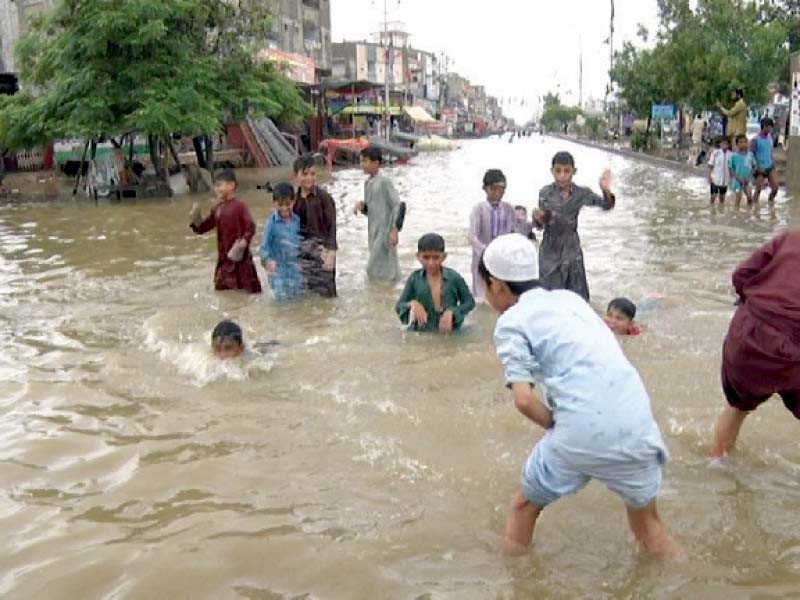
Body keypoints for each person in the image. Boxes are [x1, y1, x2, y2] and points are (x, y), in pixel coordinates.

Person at [479, 234, 679, 559]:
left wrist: (557, 425)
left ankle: (516, 582)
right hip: (637, 422)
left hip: (581, 429)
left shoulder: (510, 322)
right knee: (648, 527)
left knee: (523, 506)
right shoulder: (571, 300)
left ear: (496, 285)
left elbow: (524, 400)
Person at [710, 230, 800, 459]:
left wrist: (750, 303)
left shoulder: (791, 236)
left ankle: (716, 466)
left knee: (738, 406)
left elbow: (742, 274)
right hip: (789, 342)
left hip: (745, 329)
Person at [533, 151, 615, 302]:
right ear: (552, 171)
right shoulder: (545, 193)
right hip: (550, 253)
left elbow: (605, 205)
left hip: (572, 252)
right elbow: (542, 224)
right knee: (550, 300)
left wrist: (606, 190)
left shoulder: (581, 193)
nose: (562, 176)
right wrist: (537, 218)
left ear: (574, 172)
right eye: (558, 171)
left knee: (578, 300)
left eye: (567, 171)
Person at [190, 169, 261, 294]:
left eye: (219, 185)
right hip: (224, 260)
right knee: (223, 294)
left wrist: (244, 242)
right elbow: (204, 228)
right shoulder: (217, 209)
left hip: (240, 259)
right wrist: (196, 221)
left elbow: (250, 226)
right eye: (215, 186)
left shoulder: (240, 206)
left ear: (232, 185)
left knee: (246, 291)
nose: (216, 189)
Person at [395, 233, 475, 333]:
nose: (431, 263)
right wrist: (412, 304)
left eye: (436, 258)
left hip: (451, 333)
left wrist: (453, 312)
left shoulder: (454, 278)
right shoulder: (414, 279)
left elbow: (469, 302)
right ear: (418, 256)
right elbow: (399, 306)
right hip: (423, 333)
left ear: (444, 257)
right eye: (426, 257)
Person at [468, 170, 521, 300]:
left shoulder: (508, 208)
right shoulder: (479, 209)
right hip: (482, 260)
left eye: (501, 189)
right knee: (481, 298)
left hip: (502, 259)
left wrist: (536, 222)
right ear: (485, 189)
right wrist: (486, 251)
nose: (498, 193)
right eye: (493, 189)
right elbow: (472, 236)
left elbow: (517, 229)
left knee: (502, 297)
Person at [292, 155, 338, 297]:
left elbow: (332, 227)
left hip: (322, 251)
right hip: (301, 253)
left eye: (312, 174)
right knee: (306, 295)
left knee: (327, 295)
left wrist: (331, 253)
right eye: (304, 174)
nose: (309, 178)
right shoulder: (293, 200)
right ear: (296, 176)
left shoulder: (324, 198)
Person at [355, 147, 402, 282]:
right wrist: (363, 207)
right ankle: (383, 294)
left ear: (376, 163)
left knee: (372, 268)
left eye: (365, 161)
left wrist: (395, 230)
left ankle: (384, 294)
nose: (362, 164)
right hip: (373, 231)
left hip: (385, 231)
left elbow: (397, 206)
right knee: (381, 268)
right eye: (361, 161)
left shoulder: (384, 182)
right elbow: (372, 210)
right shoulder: (368, 183)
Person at [259, 182, 303, 302]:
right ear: (274, 203)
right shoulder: (271, 223)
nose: (284, 208)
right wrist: (268, 261)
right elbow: (263, 248)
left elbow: (302, 243)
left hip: (295, 269)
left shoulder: (297, 220)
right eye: (280, 205)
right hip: (278, 271)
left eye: (288, 204)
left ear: (293, 202)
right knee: (281, 300)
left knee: (299, 298)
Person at [751, 117, 779, 203]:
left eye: (771, 127)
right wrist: (757, 166)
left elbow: (770, 152)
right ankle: (754, 208)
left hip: (769, 166)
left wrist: (773, 163)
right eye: (770, 127)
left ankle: (770, 204)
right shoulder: (755, 139)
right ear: (764, 126)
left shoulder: (770, 138)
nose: (771, 129)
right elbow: (751, 155)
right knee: (758, 189)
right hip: (759, 168)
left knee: (775, 188)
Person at [729, 134, 755, 206]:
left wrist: (749, 177)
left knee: (750, 197)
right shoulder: (734, 156)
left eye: (745, 142)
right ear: (737, 144)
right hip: (737, 182)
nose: (743, 144)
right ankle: (736, 214)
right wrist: (738, 178)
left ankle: (748, 214)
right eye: (741, 142)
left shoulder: (750, 155)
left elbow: (753, 167)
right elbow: (731, 169)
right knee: (738, 197)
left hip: (747, 181)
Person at [707, 136, 731, 205]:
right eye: (723, 144)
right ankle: (711, 206)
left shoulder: (731, 155)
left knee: (722, 196)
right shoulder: (715, 153)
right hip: (715, 178)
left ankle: (721, 209)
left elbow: (731, 167)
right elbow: (710, 165)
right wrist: (709, 176)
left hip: (725, 179)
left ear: (729, 145)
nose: (725, 146)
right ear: (720, 144)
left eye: (726, 144)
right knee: (713, 195)